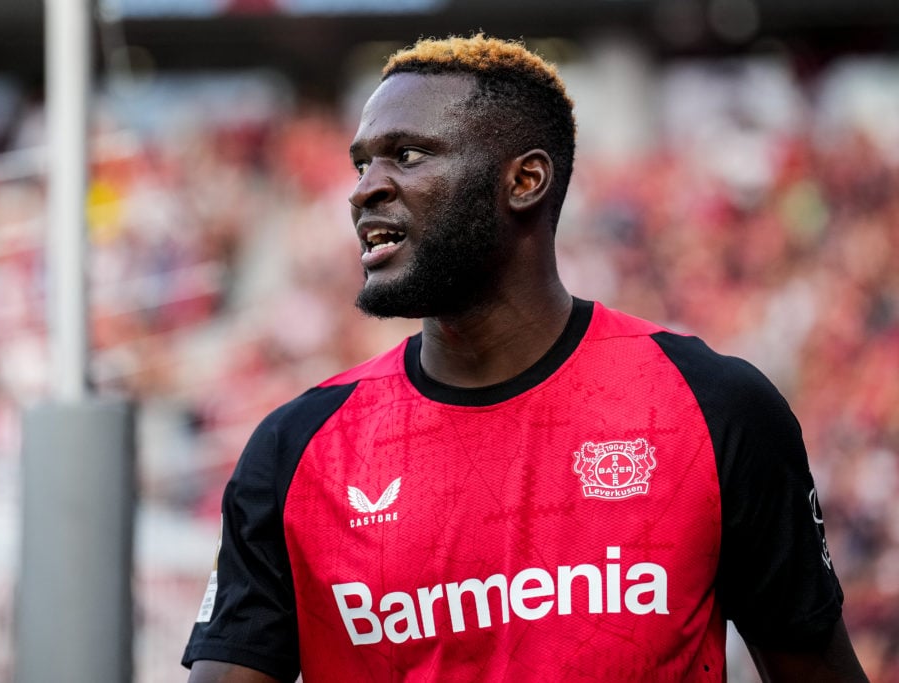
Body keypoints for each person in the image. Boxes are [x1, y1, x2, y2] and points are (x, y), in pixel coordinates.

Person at [182, 34, 867, 682]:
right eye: (363, 164)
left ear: (526, 180)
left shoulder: (712, 406)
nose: (365, 189)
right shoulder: (293, 453)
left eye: (408, 156)